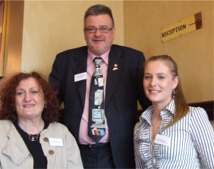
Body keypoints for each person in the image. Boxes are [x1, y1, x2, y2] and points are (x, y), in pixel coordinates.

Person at [49, 4, 151, 168]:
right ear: (84, 33)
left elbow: (149, 105)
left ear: (113, 32)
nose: (98, 34)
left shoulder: (133, 59)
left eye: (104, 28)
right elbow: (49, 105)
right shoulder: (65, 61)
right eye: (91, 29)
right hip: (74, 152)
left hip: (118, 154)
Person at [0, 71, 83, 169]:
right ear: (13, 102)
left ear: (45, 100)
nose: (27, 98)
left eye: (34, 92)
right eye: (20, 93)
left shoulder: (62, 133)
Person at [134, 55, 214, 169]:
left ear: (175, 82)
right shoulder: (139, 126)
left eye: (161, 77)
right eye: (147, 77)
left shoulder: (193, 116)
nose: (152, 83)